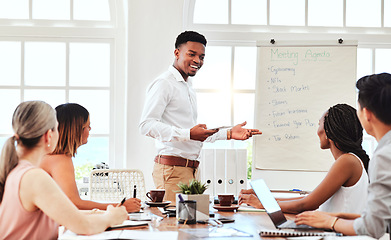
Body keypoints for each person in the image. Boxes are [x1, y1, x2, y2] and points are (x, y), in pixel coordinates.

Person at [139, 31, 262, 202]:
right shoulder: (164, 83)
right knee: (173, 226)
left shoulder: (187, 86)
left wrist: (228, 133)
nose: (198, 60)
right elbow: (146, 125)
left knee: (192, 226)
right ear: (176, 53)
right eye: (192, 54)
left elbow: (194, 134)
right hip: (172, 170)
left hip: (191, 170)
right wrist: (189, 134)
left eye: (202, 56)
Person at [0, 101, 127, 239]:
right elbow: (85, 226)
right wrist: (112, 217)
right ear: (49, 135)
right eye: (57, 129)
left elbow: (63, 214)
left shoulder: (16, 170)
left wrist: (99, 213)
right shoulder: (34, 177)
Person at [295, 73, 391, 239]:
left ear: (367, 114)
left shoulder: (384, 155)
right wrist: (333, 217)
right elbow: (385, 219)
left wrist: (331, 222)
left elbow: (373, 227)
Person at [239, 103, 370, 214]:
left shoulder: (347, 161)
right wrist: (263, 197)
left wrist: (264, 204)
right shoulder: (349, 160)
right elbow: (307, 199)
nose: (317, 130)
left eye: (319, 124)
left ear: (328, 131)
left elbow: (307, 204)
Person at [40, 103, 141, 213]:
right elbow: (74, 203)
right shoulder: (59, 160)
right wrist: (121, 206)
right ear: (77, 130)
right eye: (88, 126)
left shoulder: (50, 155)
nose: (90, 129)